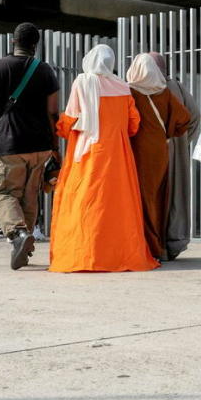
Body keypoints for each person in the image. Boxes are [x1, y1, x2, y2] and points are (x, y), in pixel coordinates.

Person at [48, 44, 157, 273]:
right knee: (118, 205)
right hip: (118, 154)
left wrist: (60, 130)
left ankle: (84, 255)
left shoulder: (82, 82)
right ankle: (117, 255)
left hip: (86, 154)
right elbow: (133, 125)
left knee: (84, 203)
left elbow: (70, 119)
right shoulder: (123, 87)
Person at [0, 22, 61, 271]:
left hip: (10, 144)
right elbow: (53, 113)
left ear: (14, 41)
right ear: (36, 44)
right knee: (29, 195)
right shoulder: (45, 71)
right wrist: (55, 147)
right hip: (40, 145)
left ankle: (18, 235)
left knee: (4, 193)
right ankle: (23, 245)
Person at [127, 53, 193, 262]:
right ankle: (160, 247)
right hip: (161, 153)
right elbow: (188, 119)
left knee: (138, 201)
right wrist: (170, 136)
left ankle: (142, 247)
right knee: (159, 201)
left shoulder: (128, 92)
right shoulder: (165, 92)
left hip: (136, 156)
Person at [150, 52, 201, 261]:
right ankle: (173, 242)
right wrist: (182, 143)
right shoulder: (177, 87)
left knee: (154, 199)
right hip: (176, 153)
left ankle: (155, 244)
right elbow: (195, 117)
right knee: (175, 197)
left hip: (151, 156)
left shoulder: (143, 88)